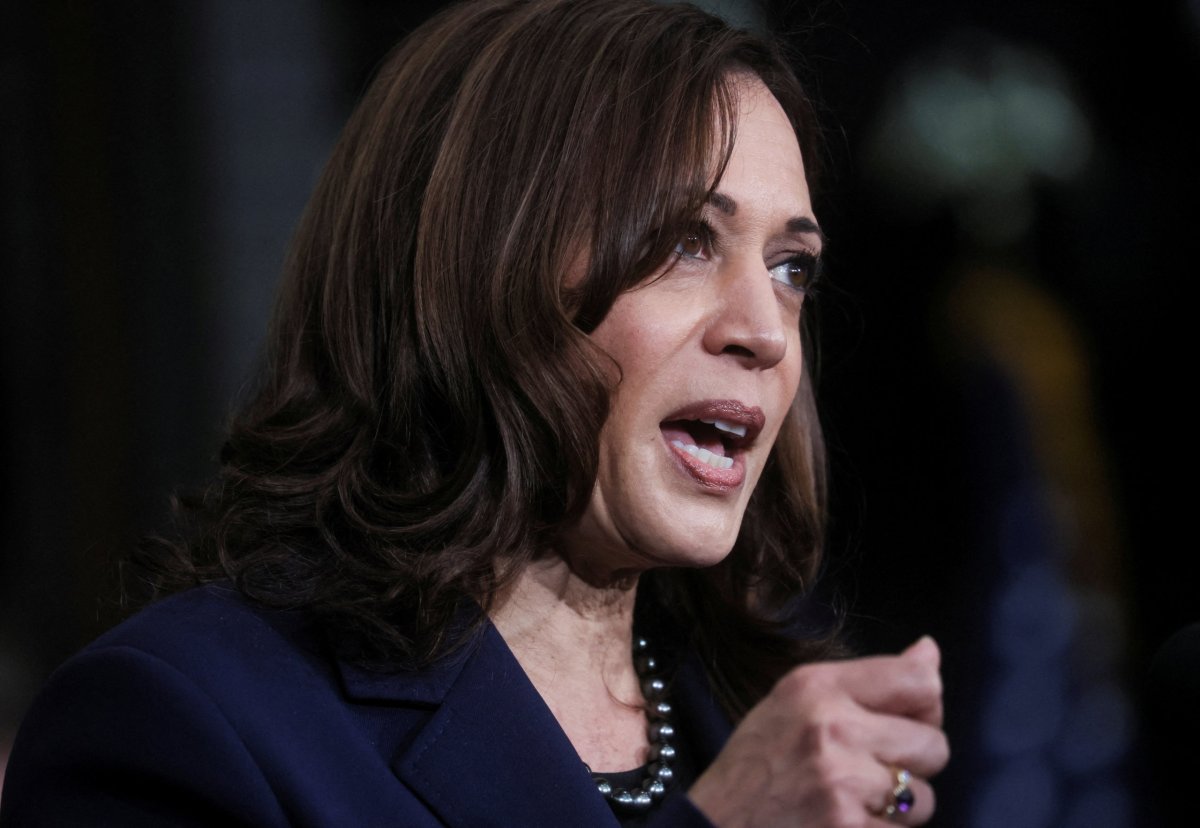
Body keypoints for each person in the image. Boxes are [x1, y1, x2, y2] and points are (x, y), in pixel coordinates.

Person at [0, 0, 948, 825]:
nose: (766, 333)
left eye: (791, 269)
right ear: (474, 273)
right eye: (683, 242)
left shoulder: (767, 722)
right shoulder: (179, 724)